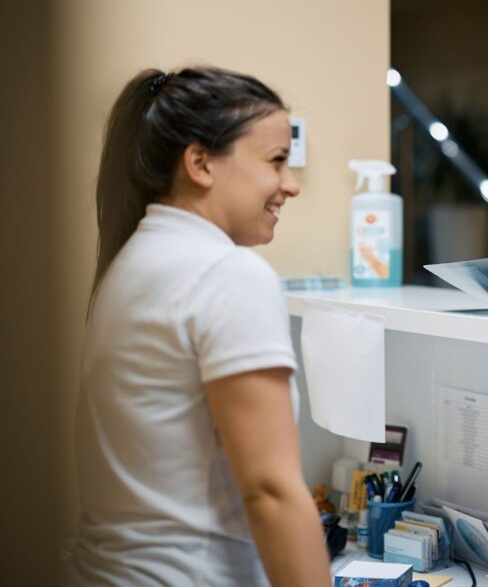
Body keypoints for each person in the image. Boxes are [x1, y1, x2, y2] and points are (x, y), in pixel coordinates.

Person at [71, 67, 330, 585]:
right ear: (200, 163)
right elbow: (271, 491)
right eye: (276, 161)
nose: (291, 185)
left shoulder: (131, 263)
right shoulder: (225, 273)